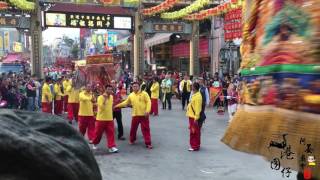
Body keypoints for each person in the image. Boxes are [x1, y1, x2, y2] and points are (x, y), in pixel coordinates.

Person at [114, 82, 152, 149]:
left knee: (146, 129)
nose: (135, 87)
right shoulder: (131, 95)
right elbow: (125, 103)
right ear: (132, 87)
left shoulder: (144, 94)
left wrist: (147, 111)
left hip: (144, 115)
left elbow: (149, 102)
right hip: (135, 115)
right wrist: (117, 106)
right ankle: (132, 140)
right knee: (133, 129)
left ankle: (148, 143)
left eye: (136, 86)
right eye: (133, 86)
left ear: (139, 86)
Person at [92, 85, 118, 153]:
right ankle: (95, 143)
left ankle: (111, 146)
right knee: (98, 133)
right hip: (101, 119)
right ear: (105, 90)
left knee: (111, 133)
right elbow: (102, 108)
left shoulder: (111, 97)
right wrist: (105, 99)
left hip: (109, 119)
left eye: (110, 89)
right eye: (108, 89)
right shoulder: (100, 97)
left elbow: (110, 106)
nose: (110, 91)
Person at [186, 82, 202, 151]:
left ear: (194, 88)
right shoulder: (195, 94)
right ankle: (196, 144)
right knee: (195, 131)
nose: (191, 87)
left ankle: (194, 146)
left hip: (194, 117)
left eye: (192, 86)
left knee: (193, 132)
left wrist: (196, 118)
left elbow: (198, 108)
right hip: (191, 116)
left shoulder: (198, 96)